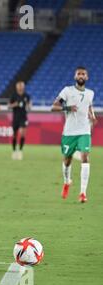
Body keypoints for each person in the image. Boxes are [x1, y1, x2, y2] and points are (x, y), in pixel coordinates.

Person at [51, 66, 97, 203]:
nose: (81, 76)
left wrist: (92, 116)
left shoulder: (90, 93)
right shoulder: (67, 91)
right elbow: (53, 107)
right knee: (67, 160)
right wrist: (67, 108)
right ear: (75, 77)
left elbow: (89, 106)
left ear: (87, 77)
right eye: (79, 74)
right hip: (69, 132)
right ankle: (67, 182)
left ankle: (83, 193)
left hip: (84, 131)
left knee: (85, 157)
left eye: (83, 74)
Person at [9, 80, 31, 160]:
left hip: (23, 117)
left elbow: (29, 106)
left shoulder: (27, 96)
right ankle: (14, 151)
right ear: (16, 86)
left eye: (22, 85)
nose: (20, 87)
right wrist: (15, 104)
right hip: (15, 118)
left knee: (22, 133)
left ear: (24, 86)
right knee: (15, 135)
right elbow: (9, 106)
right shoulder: (14, 95)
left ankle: (20, 151)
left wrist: (28, 106)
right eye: (19, 85)